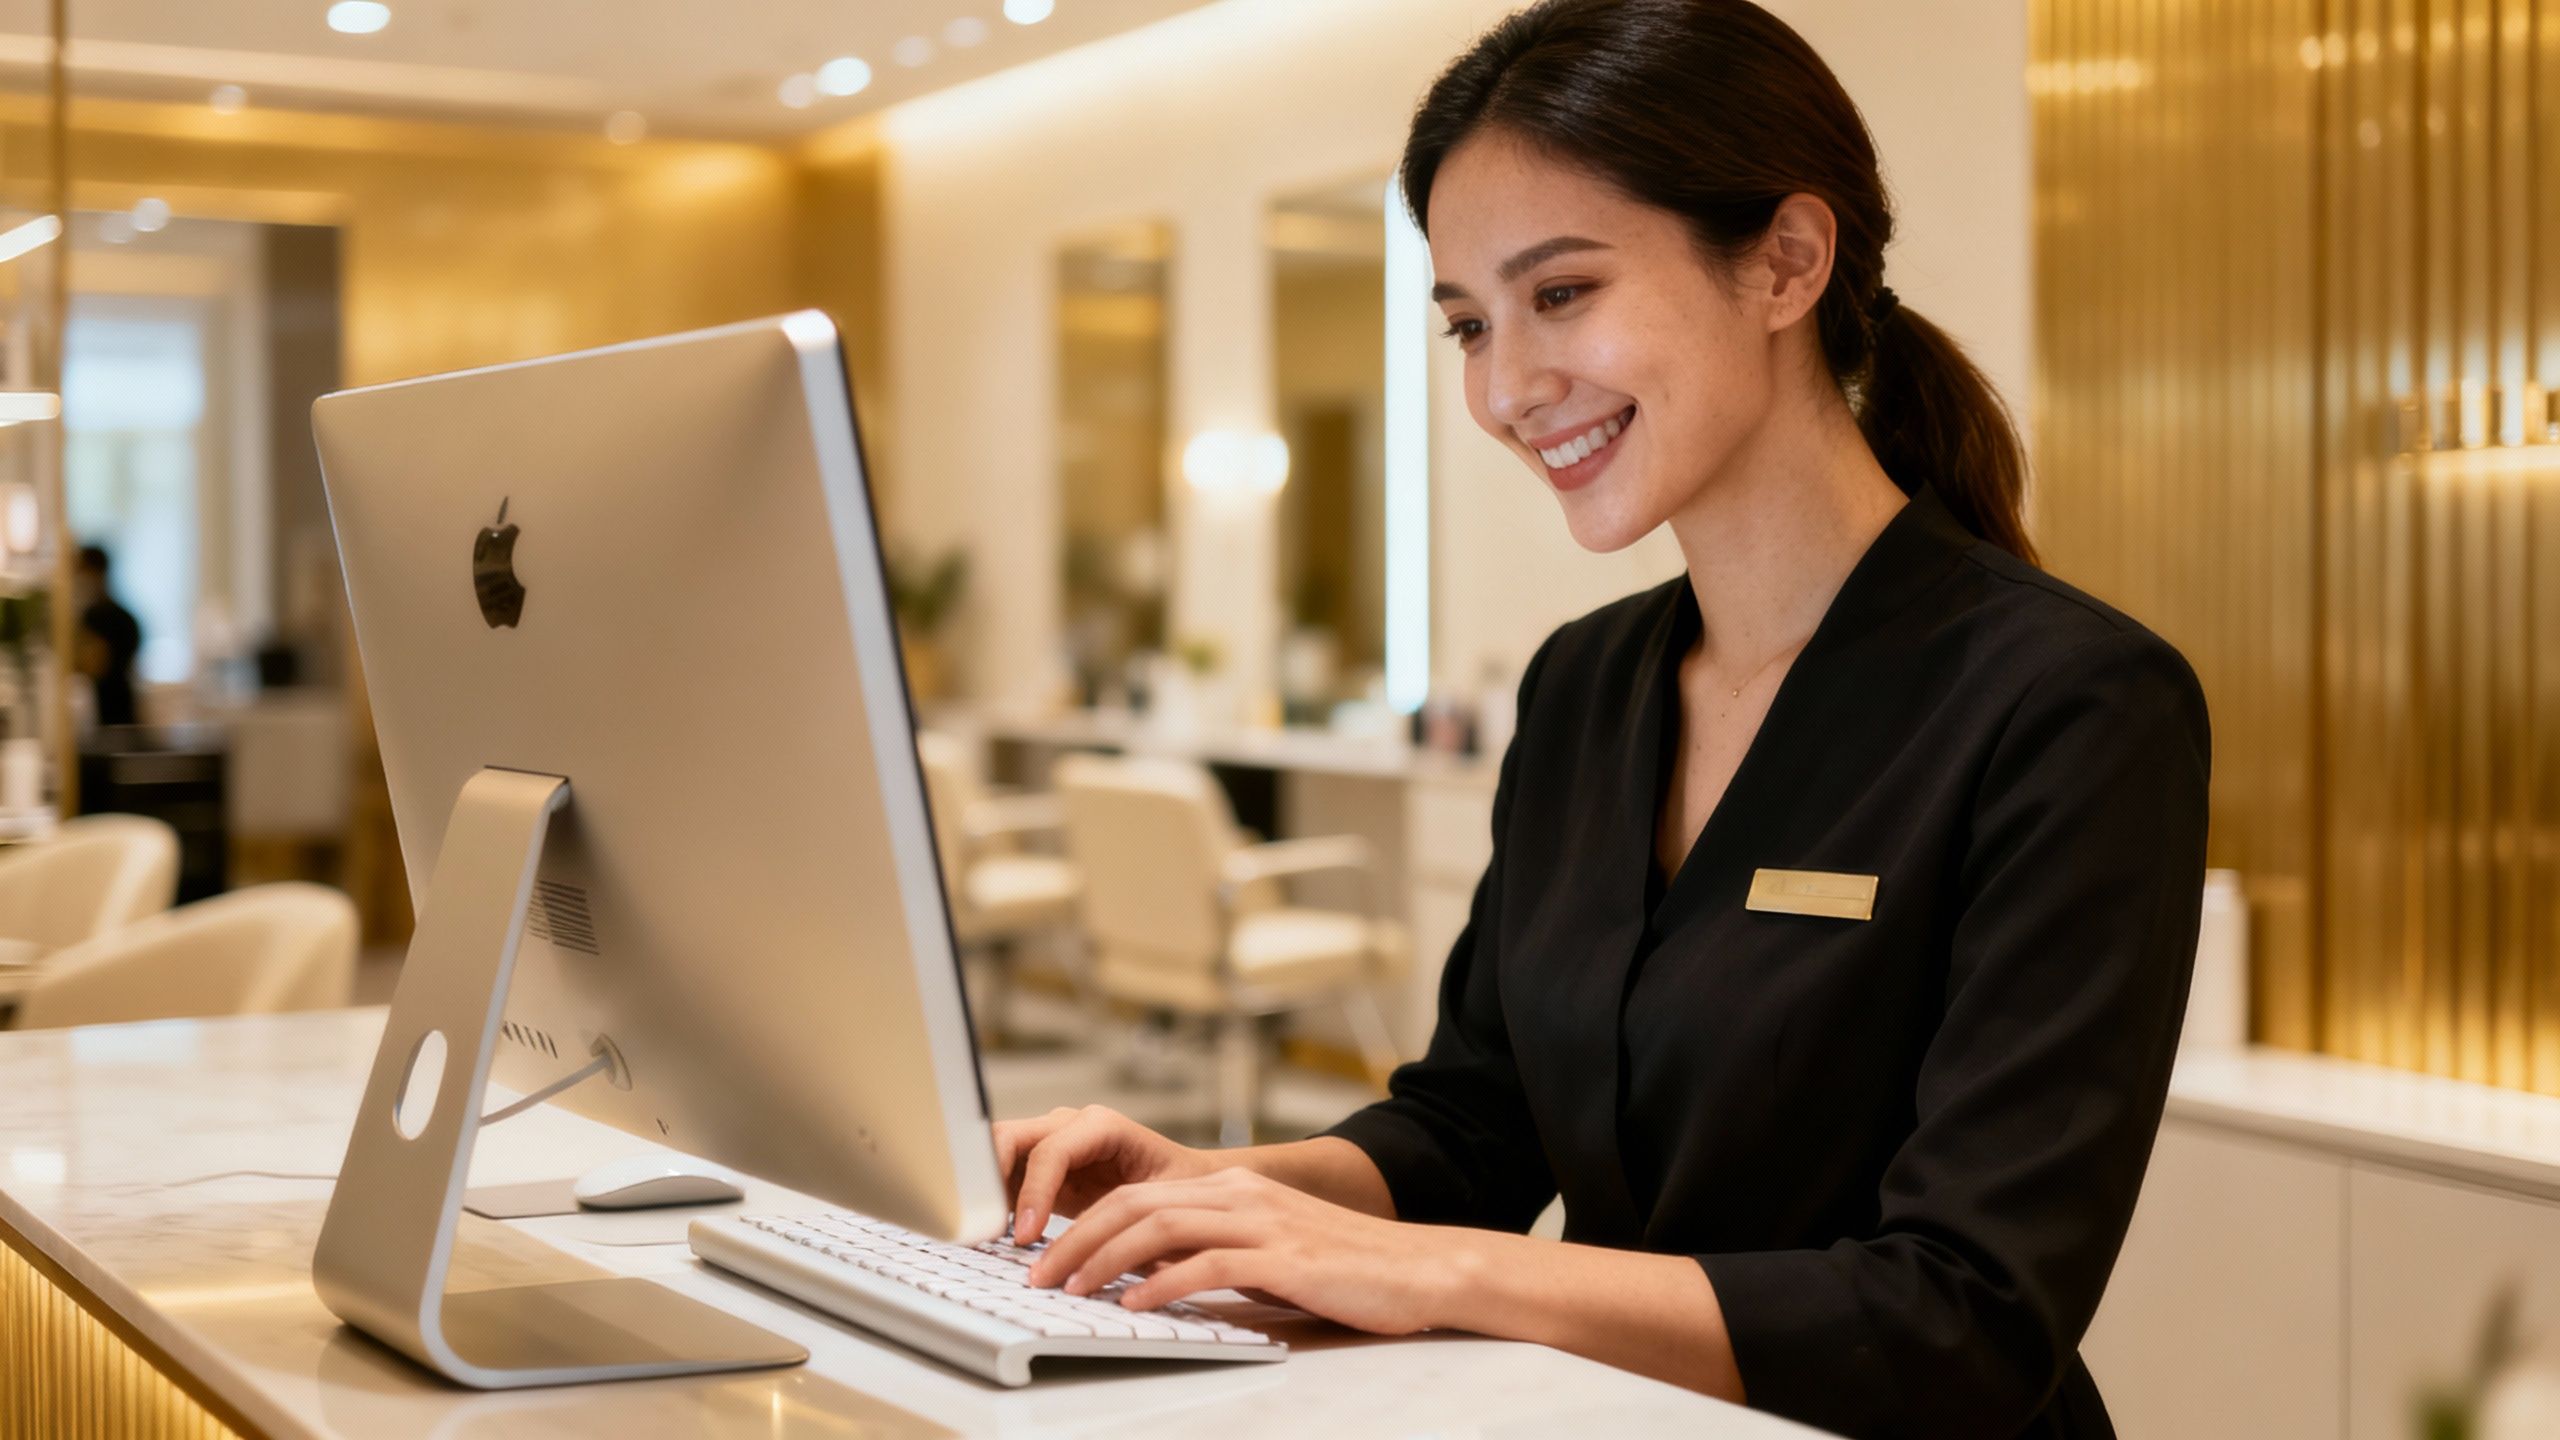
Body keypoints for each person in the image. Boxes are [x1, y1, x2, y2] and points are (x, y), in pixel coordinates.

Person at [993, 3, 2209, 1435]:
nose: (1507, 389)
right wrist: (1217, 1183)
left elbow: (1962, 1319)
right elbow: (1469, 1128)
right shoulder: (1585, 687)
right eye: (1468, 326)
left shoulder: (2068, 706)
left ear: (1786, 262)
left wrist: (1434, 1270)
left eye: (1560, 294)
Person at [73, 545, 142, 730]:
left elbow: (96, 665)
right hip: (122, 712)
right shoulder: (126, 617)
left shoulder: (97, 617)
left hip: (109, 715)